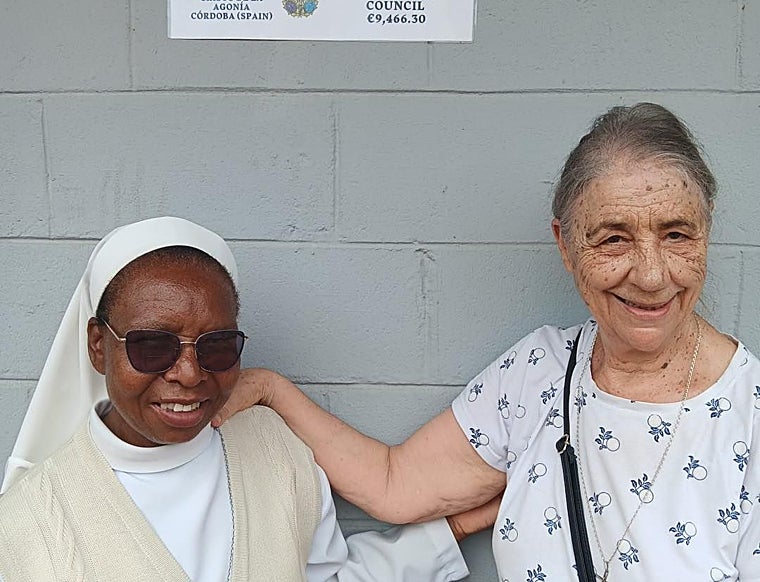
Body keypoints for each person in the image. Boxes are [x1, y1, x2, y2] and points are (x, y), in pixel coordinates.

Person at [215, 102, 760, 580]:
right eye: (613, 238)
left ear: (706, 234)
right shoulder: (538, 375)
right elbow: (394, 484)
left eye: (676, 234)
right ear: (566, 246)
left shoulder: (748, 412)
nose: (649, 274)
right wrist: (270, 389)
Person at [0, 216, 481, 581]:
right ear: (98, 345)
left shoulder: (277, 452)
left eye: (216, 346)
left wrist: (448, 533)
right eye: (152, 346)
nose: (189, 374)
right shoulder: (29, 521)